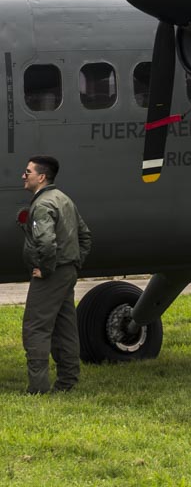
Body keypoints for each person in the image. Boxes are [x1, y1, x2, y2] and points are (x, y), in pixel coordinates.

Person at [18, 156, 91, 394]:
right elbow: (85, 236)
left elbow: (47, 243)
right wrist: (74, 264)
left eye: (27, 172)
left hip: (51, 275)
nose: (23, 175)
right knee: (65, 327)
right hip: (67, 271)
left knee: (35, 328)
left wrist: (46, 269)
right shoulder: (64, 200)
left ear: (41, 177)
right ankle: (68, 382)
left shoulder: (42, 205)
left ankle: (37, 389)